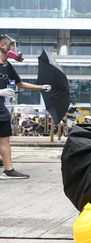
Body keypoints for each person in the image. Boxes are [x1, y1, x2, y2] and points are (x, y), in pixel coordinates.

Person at [0, 34, 51, 179]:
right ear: (2, 46)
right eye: (11, 46)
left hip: (1, 109)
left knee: (4, 138)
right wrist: (0, 91)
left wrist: (41, 87)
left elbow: (20, 84)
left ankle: (8, 171)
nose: (15, 49)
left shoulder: (7, 66)